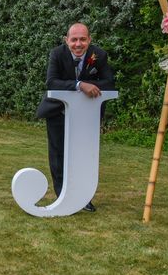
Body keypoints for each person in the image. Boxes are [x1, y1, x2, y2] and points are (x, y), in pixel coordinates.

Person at [36, 23, 114, 212]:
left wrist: (88, 84)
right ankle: (62, 196)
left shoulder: (99, 55)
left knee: (83, 156)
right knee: (58, 155)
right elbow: (52, 81)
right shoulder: (57, 53)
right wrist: (80, 85)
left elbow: (109, 82)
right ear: (67, 40)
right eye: (74, 40)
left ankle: (83, 198)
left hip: (87, 117)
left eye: (82, 39)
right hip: (57, 112)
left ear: (89, 40)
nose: (78, 44)